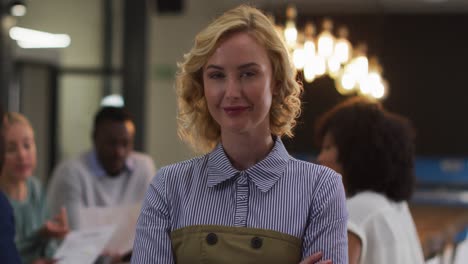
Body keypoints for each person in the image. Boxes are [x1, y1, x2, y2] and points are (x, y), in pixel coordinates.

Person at [132, 5, 348, 264]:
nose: (232, 92)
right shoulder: (168, 187)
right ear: (202, 86)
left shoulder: (320, 188)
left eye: (248, 73)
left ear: (277, 82)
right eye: (217, 75)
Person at [315, 96, 425, 264]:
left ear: (353, 153)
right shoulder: (398, 208)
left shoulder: (354, 211)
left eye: (328, 148)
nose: (320, 158)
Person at [47, 106, 156, 230]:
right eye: (111, 143)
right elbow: (73, 232)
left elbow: (152, 224)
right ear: (94, 138)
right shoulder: (70, 172)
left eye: (126, 143)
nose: (119, 152)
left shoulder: (144, 167)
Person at [0, 112, 69, 264]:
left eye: (27, 145)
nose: (22, 155)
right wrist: (39, 236)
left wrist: (55, 236)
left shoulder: (36, 188)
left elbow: (50, 249)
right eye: (11, 149)